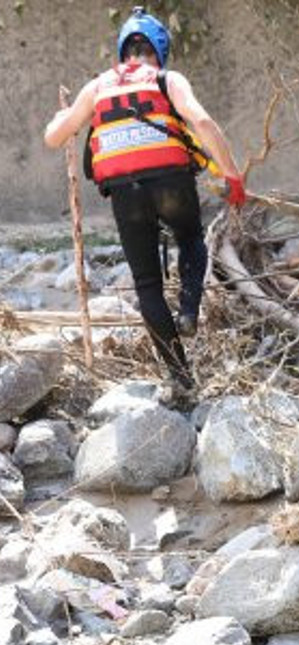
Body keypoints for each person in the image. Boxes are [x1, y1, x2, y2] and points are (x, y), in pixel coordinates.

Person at [43, 7, 245, 393]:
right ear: (160, 50)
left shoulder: (98, 87)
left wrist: (61, 117)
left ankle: (182, 381)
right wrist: (232, 177)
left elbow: (54, 137)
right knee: (190, 240)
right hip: (172, 183)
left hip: (125, 194)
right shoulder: (168, 79)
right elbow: (202, 123)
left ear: (123, 51)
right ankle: (188, 311)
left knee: (147, 286)